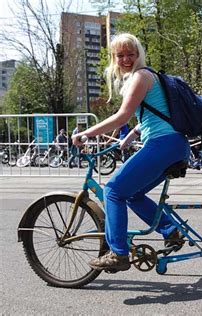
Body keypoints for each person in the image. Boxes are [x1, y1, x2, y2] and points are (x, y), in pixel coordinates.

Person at [72, 33, 190, 271]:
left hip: (162, 145)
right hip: (175, 145)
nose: (126, 59)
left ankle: (118, 254)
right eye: (120, 55)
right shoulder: (151, 76)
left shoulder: (140, 76)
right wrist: (131, 135)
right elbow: (153, 113)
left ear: (139, 55)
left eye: (130, 54)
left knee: (113, 191)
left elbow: (122, 116)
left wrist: (86, 134)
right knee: (132, 194)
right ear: (115, 58)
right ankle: (170, 230)